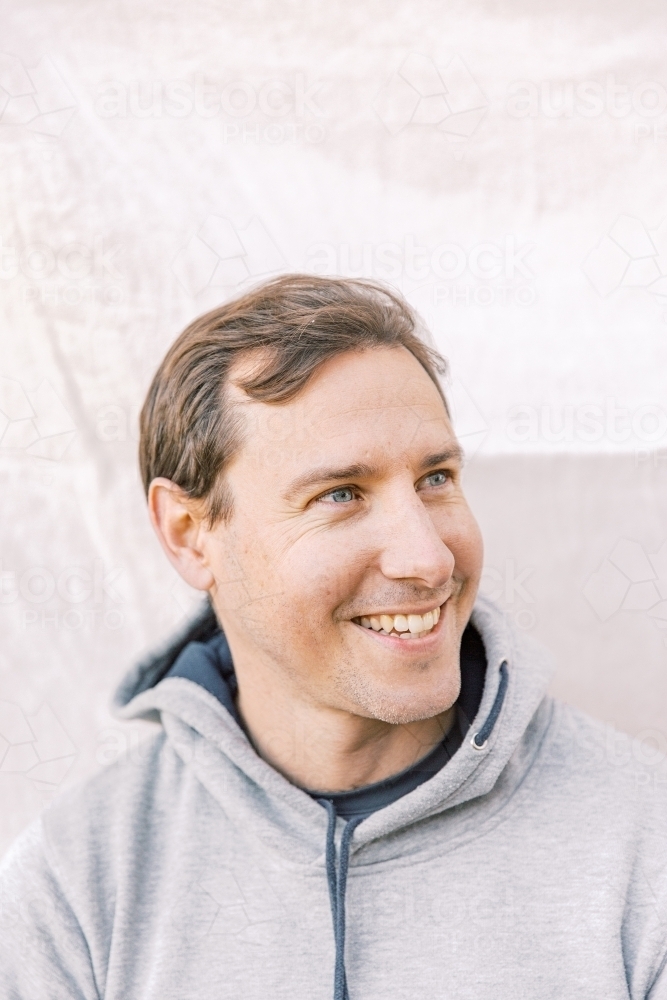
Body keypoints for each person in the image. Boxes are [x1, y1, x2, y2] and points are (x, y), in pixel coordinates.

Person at [1, 274, 667, 1000]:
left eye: (435, 478)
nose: (428, 559)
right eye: (340, 495)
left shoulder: (643, 847)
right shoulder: (74, 885)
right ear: (190, 535)